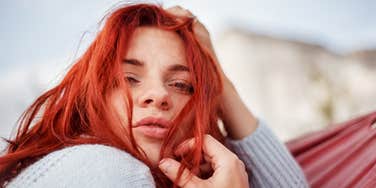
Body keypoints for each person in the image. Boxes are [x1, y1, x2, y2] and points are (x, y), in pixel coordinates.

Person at [0, 3, 308, 188]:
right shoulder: (107, 168)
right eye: (130, 78)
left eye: (181, 85)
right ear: (94, 99)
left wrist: (218, 79)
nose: (158, 95)